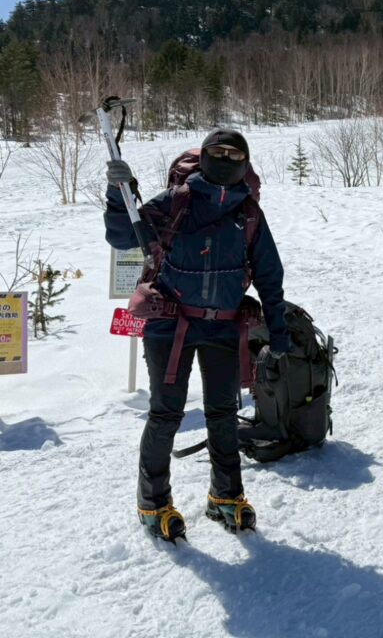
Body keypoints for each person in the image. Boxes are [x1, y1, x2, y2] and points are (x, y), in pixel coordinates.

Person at [105, 129, 289, 540]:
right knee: (166, 413)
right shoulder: (176, 203)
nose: (224, 159)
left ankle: (226, 495)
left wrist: (279, 334)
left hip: (224, 325)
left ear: (245, 161)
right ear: (203, 157)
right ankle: (153, 502)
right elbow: (122, 237)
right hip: (170, 324)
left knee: (223, 413)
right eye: (216, 152)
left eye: (233, 153)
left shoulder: (249, 215)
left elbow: (270, 277)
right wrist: (118, 195)